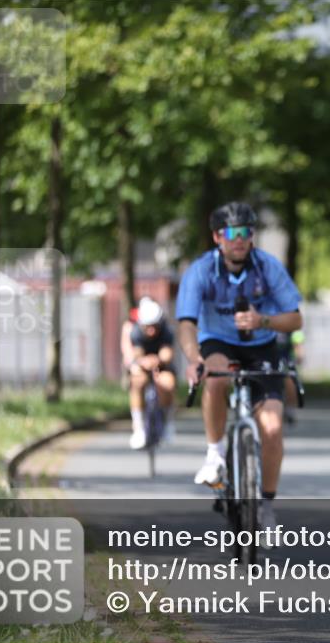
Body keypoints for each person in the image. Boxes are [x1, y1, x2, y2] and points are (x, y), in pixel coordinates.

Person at [176, 201, 302, 531]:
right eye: (232, 233)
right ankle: (215, 454)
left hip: (261, 345)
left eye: (246, 232)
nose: (240, 239)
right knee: (215, 377)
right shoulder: (202, 270)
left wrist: (264, 320)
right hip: (217, 341)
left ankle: (266, 507)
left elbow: (295, 318)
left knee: (272, 428)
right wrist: (194, 359)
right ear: (218, 237)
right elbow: (186, 323)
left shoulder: (267, 266)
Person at [124, 297, 177, 448]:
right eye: (148, 327)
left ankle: (167, 422)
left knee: (167, 383)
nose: (152, 331)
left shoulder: (167, 330)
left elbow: (167, 352)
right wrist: (143, 362)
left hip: (162, 364)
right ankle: (138, 427)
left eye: (155, 326)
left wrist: (158, 360)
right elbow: (137, 353)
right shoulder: (135, 332)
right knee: (137, 382)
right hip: (142, 364)